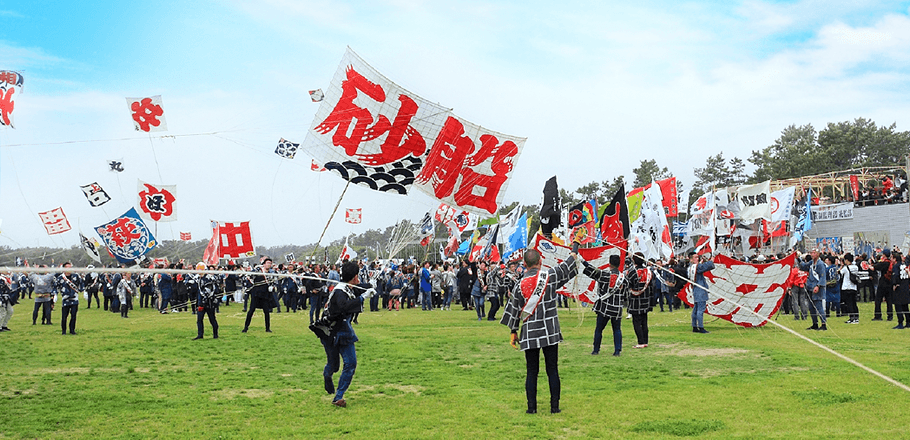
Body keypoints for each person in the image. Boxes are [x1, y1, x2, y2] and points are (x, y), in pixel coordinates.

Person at [500, 244, 580, 415]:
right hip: (550, 330)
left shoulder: (519, 284)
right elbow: (568, 264)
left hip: (529, 332)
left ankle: (531, 408)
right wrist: (576, 244)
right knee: (552, 369)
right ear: (541, 261)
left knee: (531, 371)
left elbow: (513, 311)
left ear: (524, 264)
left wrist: (513, 332)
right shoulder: (549, 276)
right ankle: (554, 407)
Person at [319, 261, 370, 408]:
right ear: (354, 277)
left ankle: (338, 396)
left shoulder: (347, 288)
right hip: (332, 332)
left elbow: (359, 289)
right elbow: (342, 308)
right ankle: (327, 375)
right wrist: (362, 298)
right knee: (334, 366)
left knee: (350, 363)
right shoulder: (339, 291)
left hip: (344, 331)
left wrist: (370, 286)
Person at [581, 254, 625, 356]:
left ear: (609, 263)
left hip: (604, 307)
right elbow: (625, 294)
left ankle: (596, 350)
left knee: (599, 329)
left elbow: (592, 270)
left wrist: (582, 261)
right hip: (617, 308)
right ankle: (617, 351)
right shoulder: (623, 278)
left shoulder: (604, 275)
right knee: (617, 329)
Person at [626, 253, 653, 348]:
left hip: (635, 300)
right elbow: (651, 286)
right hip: (645, 300)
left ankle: (641, 342)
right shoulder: (648, 271)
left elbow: (628, 285)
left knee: (636, 322)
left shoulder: (632, 272)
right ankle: (645, 341)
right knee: (644, 322)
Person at [243, 258, 275, 333]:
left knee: (266, 312)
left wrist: (272, 287)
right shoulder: (258, 270)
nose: (269, 264)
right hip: (256, 294)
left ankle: (267, 328)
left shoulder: (271, 273)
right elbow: (249, 277)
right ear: (264, 264)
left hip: (265, 295)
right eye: (267, 263)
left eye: (270, 263)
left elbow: (273, 282)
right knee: (251, 311)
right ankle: (245, 328)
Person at [800, 249, 828, 331]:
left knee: (819, 306)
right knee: (811, 307)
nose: (812, 254)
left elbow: (823, 277)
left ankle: (823, 324)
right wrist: (799, 258)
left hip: (816, 287)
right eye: (811, 253)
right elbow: (803, 266)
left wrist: (818, 286)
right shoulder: (811, 263)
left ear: (818, 254)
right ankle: (814, 323)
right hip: (810, 287)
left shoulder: (820, 264)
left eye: (814, 253)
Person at [688, 252, 715, 333]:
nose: (697, 258)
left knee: (696, 309)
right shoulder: (697, 267)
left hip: (696, 289)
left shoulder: (690, 268)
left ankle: (694, 326)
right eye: (695, 257)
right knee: (700, 309)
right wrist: (712, 260)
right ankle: (701, 327)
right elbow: (705, 267)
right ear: (691, 259)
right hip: (700, 290)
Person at [192, 264, 220, 340]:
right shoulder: (199, 279)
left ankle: (215, 335)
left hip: (210, 303)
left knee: (212, 319)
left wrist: (202, 304)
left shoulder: (208, 279)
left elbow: (208, 293)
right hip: (201, 303)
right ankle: (200, 335)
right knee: (199, 320)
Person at [56, 262, 82, 335]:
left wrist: (83, 290)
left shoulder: (76, 276)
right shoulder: (60, 278)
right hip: (65, 299)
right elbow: (56, 286)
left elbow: (81, 283)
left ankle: (72, 330)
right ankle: (63, 331)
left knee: (73, 316)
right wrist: (54, 295)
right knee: (64, 316)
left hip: (74, 299)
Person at [872, 251, 895, 321]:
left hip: (882, 282)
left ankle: (878, 315)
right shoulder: (890, 263)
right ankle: (890, 315)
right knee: (889, 300)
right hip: (889, 282)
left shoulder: (883, 263)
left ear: (884, 255)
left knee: (878, 299)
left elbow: (875, 267)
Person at [891, 253, 910, 329]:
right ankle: (908, 322)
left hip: (899, 288)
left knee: (898, 305)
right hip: (905, 287)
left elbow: (895, 276)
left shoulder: (896, 266)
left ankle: (900, 323)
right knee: (905, 306)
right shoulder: (904, 265)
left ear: (895, 259)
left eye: (892, 258)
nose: (891, 259)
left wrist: (895, 284)